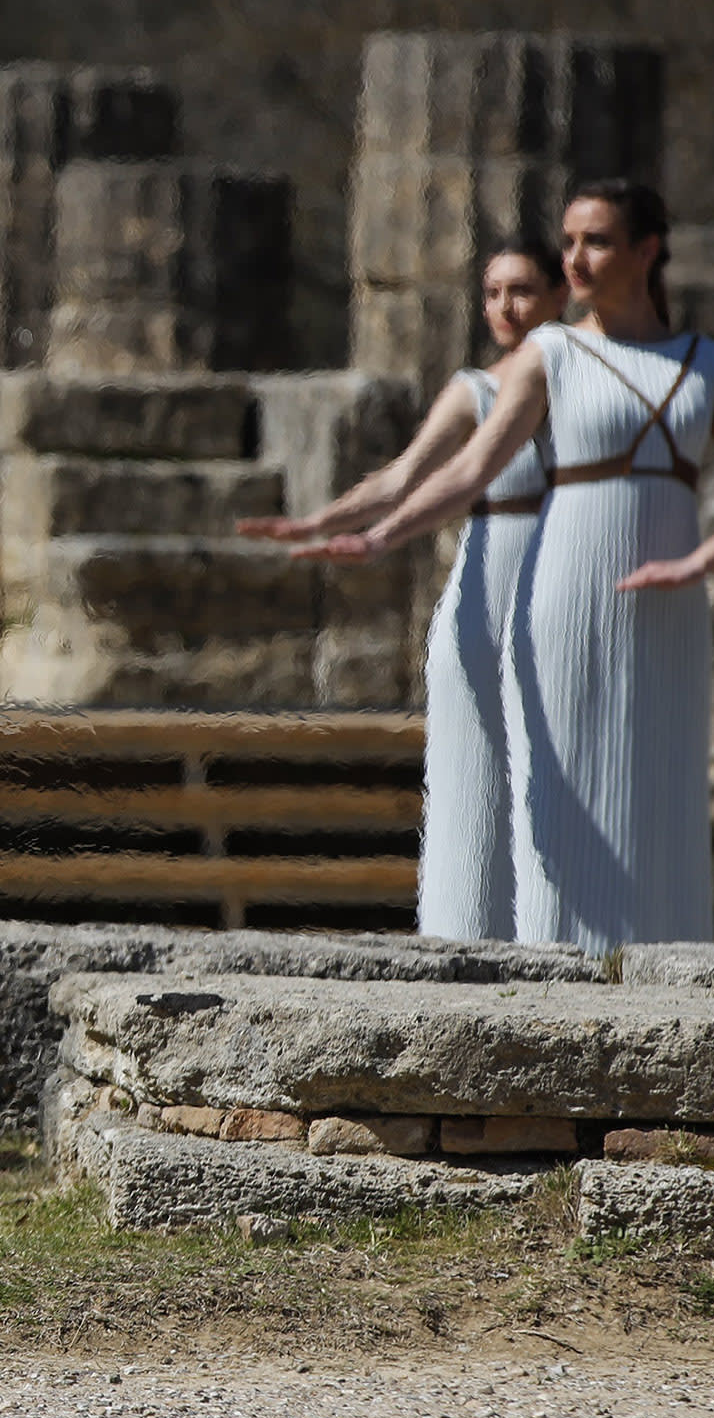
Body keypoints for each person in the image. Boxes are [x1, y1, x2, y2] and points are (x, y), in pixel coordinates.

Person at [297, 182, 714, 954]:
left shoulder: (707, 364)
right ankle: (555, 991)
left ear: (646, 251)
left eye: (595, 241)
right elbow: (467, 474)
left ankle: (665, 993)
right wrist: (381, 534)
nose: (577, 258)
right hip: (565, 595)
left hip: (667, 610)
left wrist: (696, 562)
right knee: (558, 814)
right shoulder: (550, 353)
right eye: (568, 242)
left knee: (660, 798)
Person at [242, 242, 568, 939]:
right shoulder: (474, 389)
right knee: (475, 771)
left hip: (564, 586)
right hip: (489, 581)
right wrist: (321, 521)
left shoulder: (586, 383)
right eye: (492, 292)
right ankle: (465, 933)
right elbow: (402, 475)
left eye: (522, 290)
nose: (504, 308)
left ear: (560, 296)